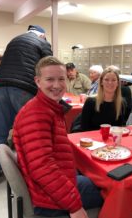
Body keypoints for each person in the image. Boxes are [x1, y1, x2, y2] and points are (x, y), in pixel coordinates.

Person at [13, 56, 103, 218]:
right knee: (112, 190)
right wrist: (74, 206)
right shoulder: (36, 115)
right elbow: (42, 168)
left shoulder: (49, 108)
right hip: (49, 199)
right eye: (50, 79)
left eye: (61, 79)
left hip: (56, 184)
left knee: (101, 180)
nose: (57, 85)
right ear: (38, 81)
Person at [0, 25, 53, 186]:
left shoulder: (14, 40)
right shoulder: (42, 42)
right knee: (31, 132)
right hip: (24, 89)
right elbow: (49, 67)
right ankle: (32, 171)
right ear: (42, 35)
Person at [81, 66, 128, 131]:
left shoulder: (122, 103)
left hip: (112, 139)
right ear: (101, 82)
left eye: (113, 80)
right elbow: (84, 128)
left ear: (117, 83)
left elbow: (121, 127)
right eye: (106, 79)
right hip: (93, 139)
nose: (110, 83)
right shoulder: (90, 102)